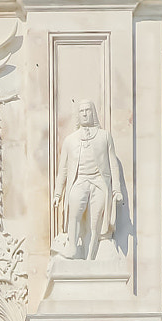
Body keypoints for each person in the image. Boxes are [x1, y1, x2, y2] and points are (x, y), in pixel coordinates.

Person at [51, 99, 124, 262]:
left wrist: (116, 190)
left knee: (94, 224)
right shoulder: (70, 140)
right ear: (78, 115)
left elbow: (113, 165)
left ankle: (90, 258)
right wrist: (57, 194)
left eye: (88, 110)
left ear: (93, 113)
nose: (85, 114)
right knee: (74, 215)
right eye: (82, 111)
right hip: (79, 183)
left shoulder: (105, 136)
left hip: (99, 184)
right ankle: (71, 248)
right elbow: (62, 170)